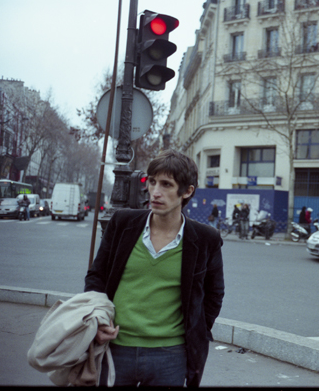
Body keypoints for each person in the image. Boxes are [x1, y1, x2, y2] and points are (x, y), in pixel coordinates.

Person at [84, 149, 225, 387]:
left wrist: (194, 331)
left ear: (187, 191)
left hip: (170, 356)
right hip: (116, 348)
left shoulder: (205, 239)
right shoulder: (122, 223)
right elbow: (96, 276)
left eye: (167, 185)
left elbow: (214, 294)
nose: (155, 192)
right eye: (152, 182)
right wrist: (97, 321)